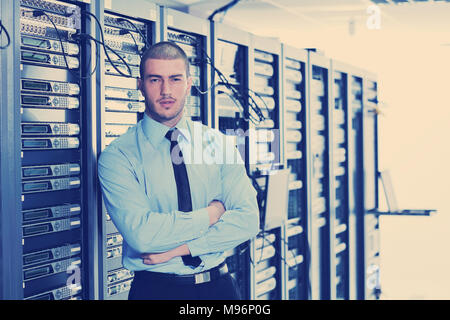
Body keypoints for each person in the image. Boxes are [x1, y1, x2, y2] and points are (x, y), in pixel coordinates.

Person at [98, 41, 259, 300]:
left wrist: (177, 250)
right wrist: (212, 214)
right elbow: (143, 236)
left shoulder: (217, 144)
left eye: (175, 79)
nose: (166, 90)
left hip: (220, 288)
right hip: (155, 291)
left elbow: (248, 221)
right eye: (154, 80)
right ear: (140, 85)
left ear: (188, 83)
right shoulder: (118, 156)